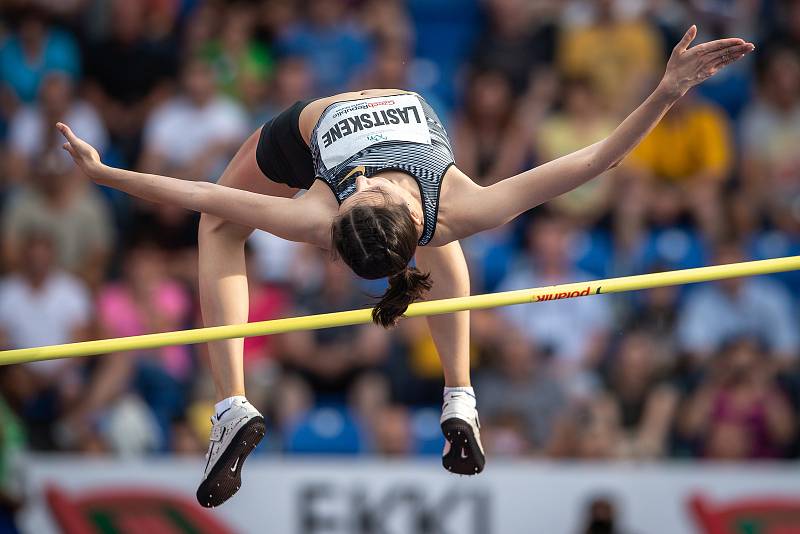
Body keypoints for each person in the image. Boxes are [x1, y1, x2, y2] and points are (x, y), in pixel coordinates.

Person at [56, 27, 752, 507]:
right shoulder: (453, 207)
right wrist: (664, 92)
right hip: (401, 193)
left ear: (334, 221)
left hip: (301, 134)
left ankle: (232, 403)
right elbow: (596, 160)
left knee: (220, 229)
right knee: (447, 236)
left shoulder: (319, 211)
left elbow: (208, 196)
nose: (359, 186)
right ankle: (461, 395)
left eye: (351, 195)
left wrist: (108, 173)